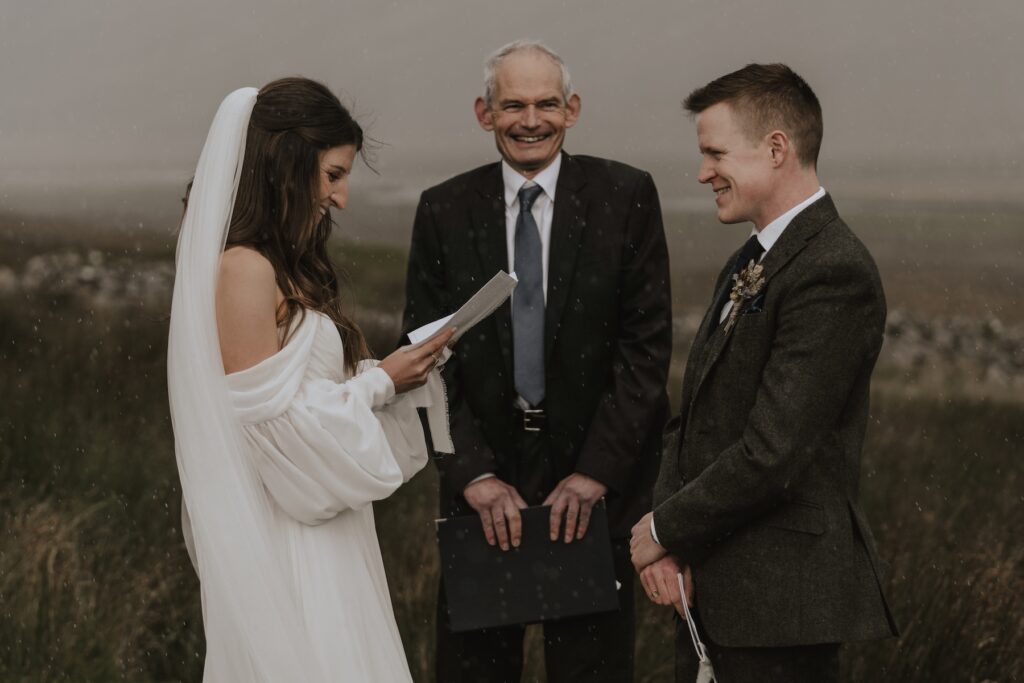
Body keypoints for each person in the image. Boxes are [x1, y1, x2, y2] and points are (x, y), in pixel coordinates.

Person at [402, 41, 672, 682]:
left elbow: (646, 349)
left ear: (572, 109)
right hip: (481, 484)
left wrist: (596, 472)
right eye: (513, 105)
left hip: (591, 482)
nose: (531, 120)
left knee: (592, 669)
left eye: (546, 104)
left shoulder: (625, 195)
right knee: (473, 670)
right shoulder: (443, 210)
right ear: (484, 112)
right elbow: (424, 357)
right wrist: (470, 472)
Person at [167, 77, 454, 682]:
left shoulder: (279, 266)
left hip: (330, 531)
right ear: (285, 167)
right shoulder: (242, 270)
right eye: (333, 175)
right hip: (290, 542)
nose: (342, 198)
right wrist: (379, 386)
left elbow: (299, 401)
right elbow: (272, 437)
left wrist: (392, 376)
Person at [629, 63, 900, 682]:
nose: (703, 173)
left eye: (715, 153)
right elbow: (692, 417)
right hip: (711, 591)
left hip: (782, 604)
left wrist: (665, 527)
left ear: (776, 148)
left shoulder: (833, 271)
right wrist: (669, 542)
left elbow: (774, 451)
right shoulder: (751, 257)